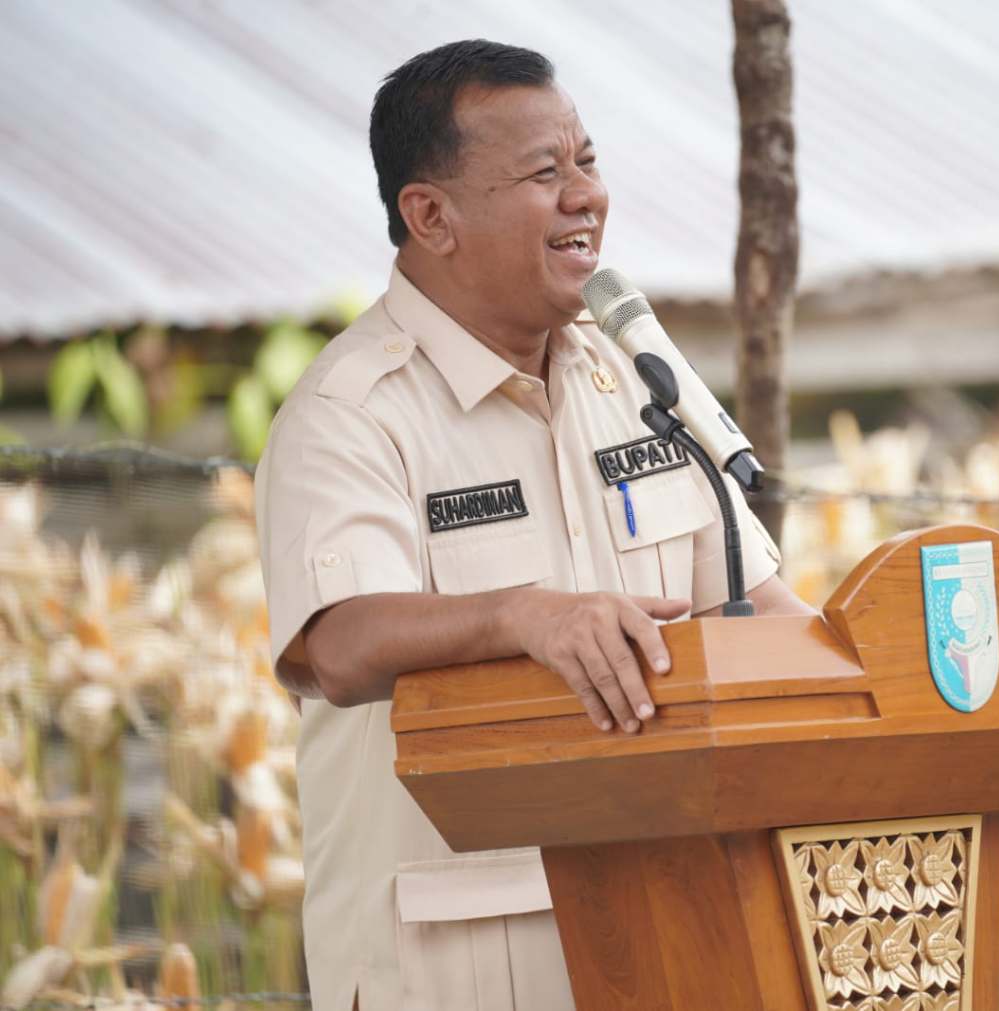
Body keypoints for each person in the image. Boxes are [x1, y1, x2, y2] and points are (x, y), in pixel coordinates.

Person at [254, 39, 812, 1011]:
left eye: (587, 163)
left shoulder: (630, 375)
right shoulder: (350, 411)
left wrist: (892, 663)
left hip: (669, 930)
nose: (583, 197)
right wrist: (521, 617)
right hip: (459, 964)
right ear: (430, 216)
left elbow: (759, 604)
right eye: (543, 173)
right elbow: (337, 643)